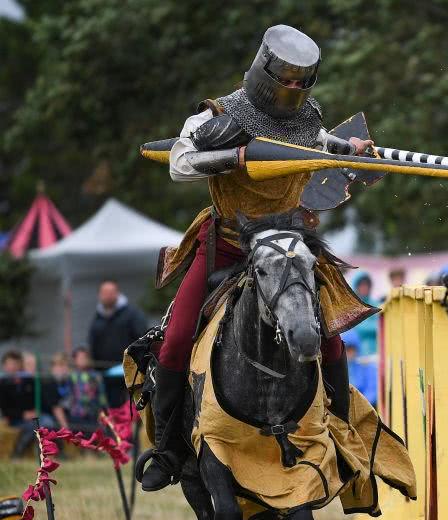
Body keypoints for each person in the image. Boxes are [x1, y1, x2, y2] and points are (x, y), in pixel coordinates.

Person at [138, 24, 376, 492]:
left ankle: (344, 443)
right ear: (264, 72)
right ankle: (168, 450)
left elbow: (315, 144)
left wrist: (348, 150)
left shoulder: (308, 117)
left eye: (299, 83)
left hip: (289, 242)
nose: (291, 90)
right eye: (284, 80)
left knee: (327, 338)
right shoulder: (221, 114)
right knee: (178, 338)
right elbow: (180, 163)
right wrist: (231, 155)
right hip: (226, 243)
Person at [88, 280, 149, 406]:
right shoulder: (97, 318)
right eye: (105, 293)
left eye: (111, 292)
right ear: (100, 295)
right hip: (106, 372)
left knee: (133, 406)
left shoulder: (132, 314)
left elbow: (142, 338)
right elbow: (93, 343)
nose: (108, 296)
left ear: (117, 293)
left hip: (129, 371)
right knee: (113, 407)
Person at [0, 350, 61, 458]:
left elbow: (39, 401)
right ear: (4, 366)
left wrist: (35, 411)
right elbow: (5, 410)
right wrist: (23, 414)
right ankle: (17, 454)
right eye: (10, 364)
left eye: (15, 364)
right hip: (16, 419)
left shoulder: (30, 382)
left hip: (33, 416)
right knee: (33, 426)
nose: (13, 367)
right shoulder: (3, 384)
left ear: (20, 365)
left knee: (49, 422)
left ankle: (51, 454)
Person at [343, 330, 377, 407]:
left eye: (351, 348)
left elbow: (372, 391)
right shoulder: (337, 369)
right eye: (346, 349)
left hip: (364, 408)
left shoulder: (367, 366)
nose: (349, 353)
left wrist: (359, 406)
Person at [351, 272, 381, 356]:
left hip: (376, 353)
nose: (364, 288)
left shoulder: (376, 305)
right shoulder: (352, 307)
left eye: (366, 285)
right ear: (356, 287)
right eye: (361, 285)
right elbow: (354, 330)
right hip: (357, 354)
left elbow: (381, 327)